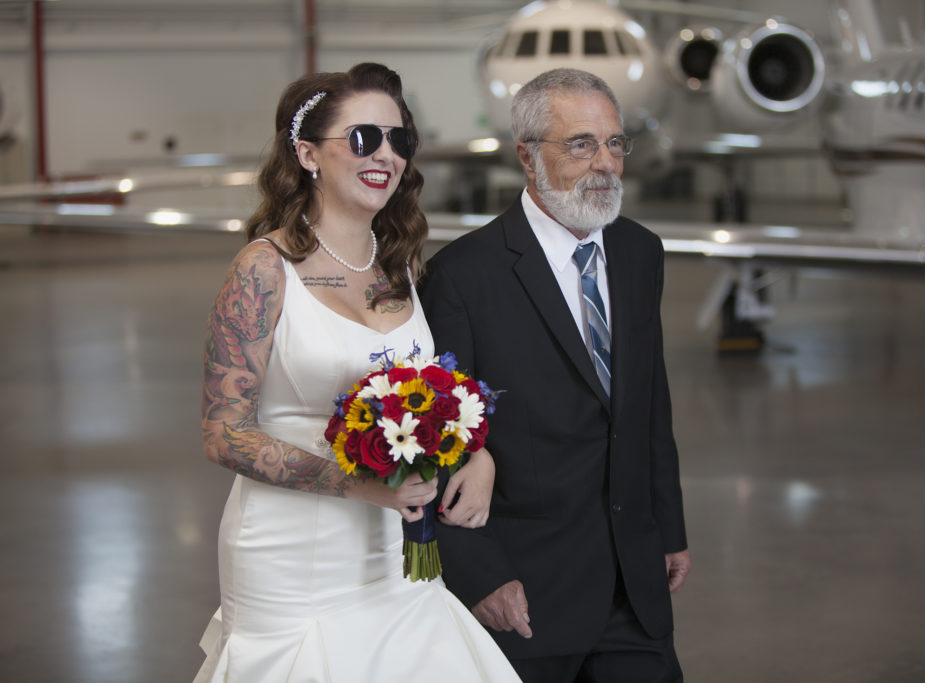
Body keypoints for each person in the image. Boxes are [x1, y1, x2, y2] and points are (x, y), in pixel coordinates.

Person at [194, 63, 520, 682]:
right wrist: (361, 488)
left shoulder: (397, 267)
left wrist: (478, 458)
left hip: (397, 552)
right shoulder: (263, 270)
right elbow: (223, 433)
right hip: (292, 559)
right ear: (307, 153)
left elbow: (430, 404)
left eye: (400, 140)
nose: (387, 155)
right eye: (364, 137)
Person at [419, 68, 691, 682]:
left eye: (615, 143)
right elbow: (436, 443)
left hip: (634, 588)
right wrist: (477, 572)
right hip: (526, 594)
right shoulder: (464, 276)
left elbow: (650, 405)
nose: (605, 163)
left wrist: (667, 527)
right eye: (581, 144)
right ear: (526, 155)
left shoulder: (638, 253)